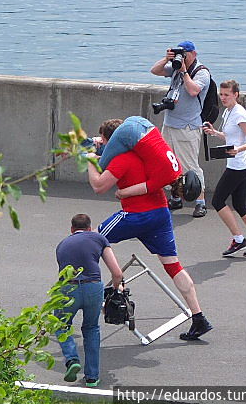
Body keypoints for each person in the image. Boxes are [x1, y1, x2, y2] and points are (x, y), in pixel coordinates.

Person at [86, 119, 213, 341]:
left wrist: (88, 160)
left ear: (113, 141)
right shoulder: (148, 158)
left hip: (136, 215)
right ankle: (199, 317)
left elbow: (98, 186)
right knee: (173, 265)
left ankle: (116, 286)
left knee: (90, 241)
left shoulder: (122, 159)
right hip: (160, 214)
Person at [202, 80, 246, 257]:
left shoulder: (240, 114)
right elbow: (230, 136)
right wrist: (215, 133)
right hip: (238, 165)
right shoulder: (228, 111)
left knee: (217, 201)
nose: (222, 98)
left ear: (236, 95)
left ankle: (239, 239)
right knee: (240, 205)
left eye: (226, 95)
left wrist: (238, 149)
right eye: (221, 94)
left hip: (238, 167)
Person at [54, 213, 124, 387]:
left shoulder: (62, 245)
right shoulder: (98, 238)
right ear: (89, 228)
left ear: (72, 230)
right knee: (91, 328)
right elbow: (117, 273)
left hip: (68, 288)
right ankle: (92, 377)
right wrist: (116, 288)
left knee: (60, 324)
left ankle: (72, 359)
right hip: (93, 287)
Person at [151, 40, 210, 217]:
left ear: (194, 54)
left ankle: (201, 202)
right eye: (180, 54)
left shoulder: (202, 73)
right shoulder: (175, 67)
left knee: (190, 165)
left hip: (188, 126)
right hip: (170, 123)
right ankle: (176, 197)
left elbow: (193, 91)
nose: (182, 57)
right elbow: (155, 71)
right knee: (169, 163)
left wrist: (184, 70)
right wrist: (166, 59)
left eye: (185, 54)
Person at [97, 115, 183, 198]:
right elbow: (124, 192)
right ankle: (86, 154)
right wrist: (119, 193)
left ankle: (95, 141)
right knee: (100, 167)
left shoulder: (178, 167)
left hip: (142, 123)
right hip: (131, 135)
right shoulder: (161, 180)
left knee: (112, 149)